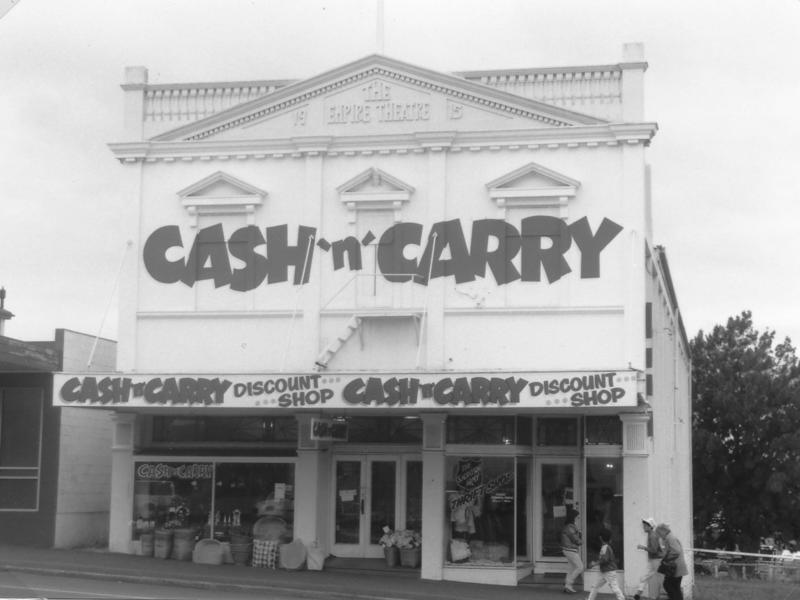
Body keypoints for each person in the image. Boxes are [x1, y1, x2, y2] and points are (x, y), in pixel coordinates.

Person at [587, 528, 625, 600]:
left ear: (600, 538)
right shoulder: (606, 547)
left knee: (614, 587)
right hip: (605, 571)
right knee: (596, 586)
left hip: (609, 571)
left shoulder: (605, 547)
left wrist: (594, 563)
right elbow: (604, 559)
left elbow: (604, 559)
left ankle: (622, 598)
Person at [655, 523, 688, 600]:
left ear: (663, 531)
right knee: (674, 587)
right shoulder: (669, 537)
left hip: (675, 568)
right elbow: (672, 551)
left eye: (659, 533)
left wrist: (665, 559)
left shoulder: (670, 538)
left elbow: (676, 551)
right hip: (675, 567)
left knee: (668, 585)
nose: (659, 536)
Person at [634, 517, 663, 600]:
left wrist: (643, 547)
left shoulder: (652, 536)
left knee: (646, 576)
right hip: (654, 559)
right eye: (644, 525)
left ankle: (639, 594)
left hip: (656, 560)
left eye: (645, 526)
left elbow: (654, 550)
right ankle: (638, 594)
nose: (643, 527)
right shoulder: (651, 535)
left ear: (650, 527)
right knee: (647, 576)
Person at [560, 508, 583, 594]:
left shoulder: (570, 526)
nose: (578, 519)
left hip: (568, 549)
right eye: (577, 517)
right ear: (573, 517)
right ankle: (569, 583)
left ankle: (567, 586)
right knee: (580, 567)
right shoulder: (570, 527)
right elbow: (577, 540)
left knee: (572, 568)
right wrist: (580, 537)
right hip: (570, 549)